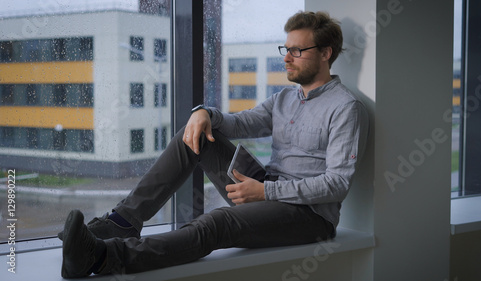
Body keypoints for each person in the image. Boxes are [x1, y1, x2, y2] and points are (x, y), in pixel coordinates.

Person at [60, 10, 369, 278]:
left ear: (326, 53)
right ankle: (121, 223)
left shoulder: (345, 107)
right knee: (194, 137)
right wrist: (204, 113)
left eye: (297, 51)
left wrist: (266, 191)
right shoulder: (284, 99)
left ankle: (102, 257)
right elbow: (241, 123)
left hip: (308, 217)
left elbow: (337, 183)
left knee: (216, 222)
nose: (286, 58)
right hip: (266, 189)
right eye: (285, 49)